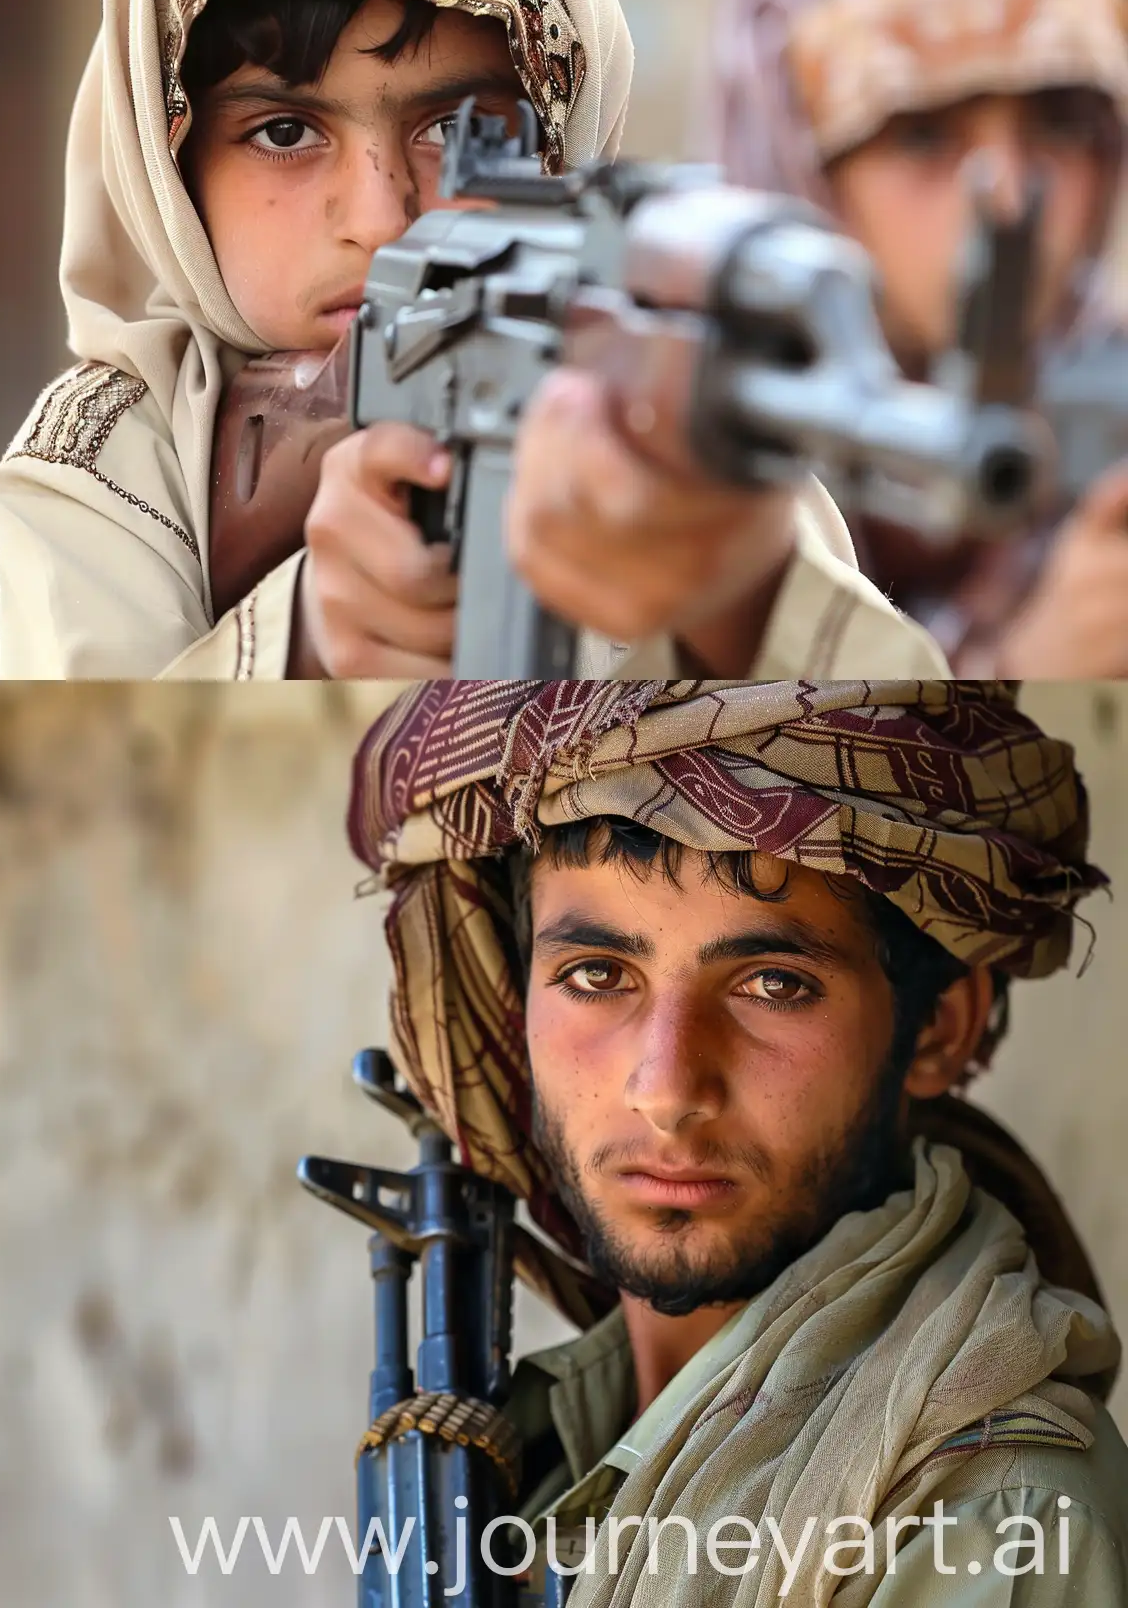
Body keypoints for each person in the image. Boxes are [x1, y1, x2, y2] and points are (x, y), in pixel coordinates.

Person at [0, 0, 944, 681]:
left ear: (557, 143)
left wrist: (742, 604)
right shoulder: (111, 463)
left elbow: (906, 779)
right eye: (284, 132)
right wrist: (304, 643)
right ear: (170, 162)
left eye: (455, 128)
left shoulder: (663, 399)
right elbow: (59, 812)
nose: (381, 215)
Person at [348, 681, 1127, 1601]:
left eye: (773, 985)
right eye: (598, 975)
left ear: (938, 1031)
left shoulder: (989, 1513)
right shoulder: (538, 1451)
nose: (667, 1091)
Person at [703, 0, 1128, 678]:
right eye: (923, 135)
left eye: (1059, 123)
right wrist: (1021, 685)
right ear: (797, 158)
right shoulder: (682, 474)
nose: (1006, 196)